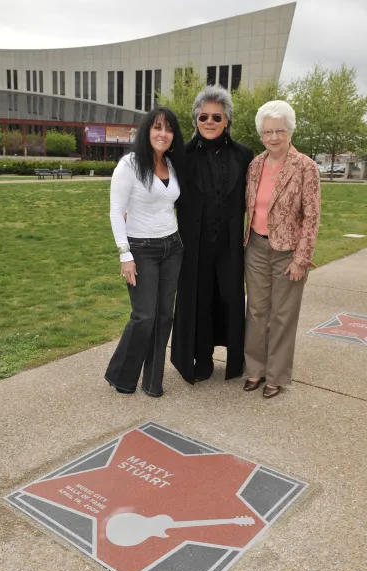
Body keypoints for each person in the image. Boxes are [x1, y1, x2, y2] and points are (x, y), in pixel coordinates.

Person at [171, 85, 253, 384]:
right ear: (195, 119)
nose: (209, 122)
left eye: (216, 117)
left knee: (231, 301)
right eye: (203, 116)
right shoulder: (181, 156)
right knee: (198, 303)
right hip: (194, 248)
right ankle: (201, 360)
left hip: (230, 247)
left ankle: (234, 361)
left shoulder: (244, 155)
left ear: (226, 121)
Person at [104, 107, 185, 397]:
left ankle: (153, 380)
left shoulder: (173, 165)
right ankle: (120, 375)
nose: (163, 134)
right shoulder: (130, 164)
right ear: (147, 131)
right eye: (157, 127)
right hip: (141, 249)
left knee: (165, 316)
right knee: (144, 316)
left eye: (169, 129)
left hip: (172, 247)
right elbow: (116, 212)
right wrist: (125, 254)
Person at [244, 100, 321, 398]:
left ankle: (275, 376)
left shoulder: (305, 167)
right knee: (256, 311)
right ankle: (254, 369)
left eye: (279, 131)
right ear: (261, 135)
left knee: (283, 315)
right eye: (267, 132)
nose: (273, 137)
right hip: (255, 247)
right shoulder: (255, 165)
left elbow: (312, 216)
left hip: (289, 252)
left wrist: (302, 259)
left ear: (289, 131)